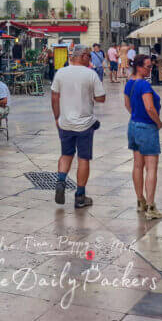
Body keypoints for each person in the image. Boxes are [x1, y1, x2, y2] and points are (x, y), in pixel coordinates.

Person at [50, 45, 106, 209]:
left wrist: (57, 118)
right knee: (83, 159)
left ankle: (61, 181)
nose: (90, 59)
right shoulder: (91, 74)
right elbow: (101, 98)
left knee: (66, 154)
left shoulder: (60, 72)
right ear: (82, 56)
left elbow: (54, 97)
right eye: (89, 56)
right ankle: (80, 196)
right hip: (84, 124)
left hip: (65, 122)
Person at [124, 54, 162, 219]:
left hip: (133, 126)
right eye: (148, 66)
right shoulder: (144, 86)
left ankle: (140, 201)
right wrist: (158, 122)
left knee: (138, 166)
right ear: (139, 67)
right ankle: (151, 206)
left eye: (151, 66)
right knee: (151, 167)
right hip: (147, 128)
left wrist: (136, 116)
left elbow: (127, 104)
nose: (150, 69)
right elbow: (150, 107)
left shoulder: (130, 83)